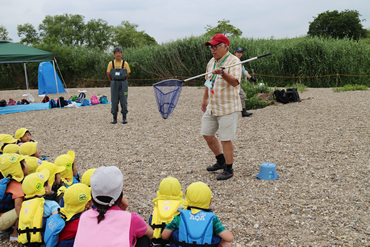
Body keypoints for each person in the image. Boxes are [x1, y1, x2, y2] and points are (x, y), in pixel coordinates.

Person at [73, 166, 153, 247]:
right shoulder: (131, 219)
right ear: (120, 193)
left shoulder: (84, 216)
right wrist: (124, 211)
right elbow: (150, 233)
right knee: (143, 239)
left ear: (92, 195)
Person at [201, 33, 242, 180]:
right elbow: (208, 81)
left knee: (225, 138)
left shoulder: (234, 61)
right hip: (213, 105)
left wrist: (223, 73)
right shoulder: (211, 62)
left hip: (228, 107)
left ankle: (229, 169)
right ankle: (221, 161)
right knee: (206, 133)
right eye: (211, 47)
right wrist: (205, 98)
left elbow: (235, 82)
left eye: (216, 46)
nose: (213, 49)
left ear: (225, 46)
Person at [161, 182, 233, 247]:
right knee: (226, 242)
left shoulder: (180, 216)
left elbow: (164, 236)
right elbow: (229, 238)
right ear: (210, 202)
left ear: (187, 199)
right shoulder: (212, 219)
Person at [18, 168, 60, 246]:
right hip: (46, 242)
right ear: (45, 189)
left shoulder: (25, 206)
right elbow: (58, 224)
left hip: (29, 242)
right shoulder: (52, 205)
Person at [0, 154, 28, 242]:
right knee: (24, 206)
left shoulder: (3, 181)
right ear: (19, 168)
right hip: (2, 221)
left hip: (2, 218)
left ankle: (5, 229)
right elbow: (18, 209)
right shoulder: (18, 185)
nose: (27, 166)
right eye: (25, 163)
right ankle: (15, 234)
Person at [149, 177, 185, 247]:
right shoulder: (181, 206)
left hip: (156, 241)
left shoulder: (157, 205)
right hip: (173, 242)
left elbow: (151, 221)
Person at [107, 47, 131, 124]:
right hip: (114, 84)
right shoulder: (111, 63)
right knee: (114, 101)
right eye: (116, 53)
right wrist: (113, 81)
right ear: (114, 55)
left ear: (121, 54)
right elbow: (108, 74)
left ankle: (124, 117)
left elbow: (127, 74)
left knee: (124, 100)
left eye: (119, 53)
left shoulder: (125, 63)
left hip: (123, 84)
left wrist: (123, 80)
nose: (118, 54)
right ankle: (114, 118)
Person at [234, 47, 256, 117]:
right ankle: (243, 111)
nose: (239, 54)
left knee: (240, 96)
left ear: (242, 54)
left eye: (240, 52)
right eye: (238, 52)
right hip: (233, 82)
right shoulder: (232, 61)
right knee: (242, 96)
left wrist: (251, 78)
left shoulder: (241, 63)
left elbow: (244, 72)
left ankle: (242, 111)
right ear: (235, 53)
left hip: (238, 83)